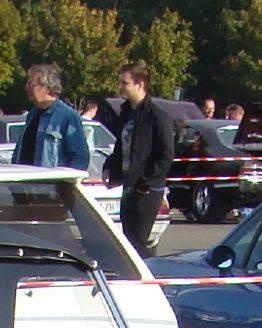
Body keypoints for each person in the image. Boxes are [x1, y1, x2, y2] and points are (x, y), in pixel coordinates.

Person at [105, 60, 177, 254]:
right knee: (127, 242)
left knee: (137, 242)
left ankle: (144, 272)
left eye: (125, 83)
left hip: (147, 190)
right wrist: (110, 166)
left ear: (140, 84)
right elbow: (121, 146)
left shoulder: (157, 117)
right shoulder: (126, 113)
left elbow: (166, 155)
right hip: (129, 185)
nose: (120, 87)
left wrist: (146, 181)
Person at [13, 63, 89, 172]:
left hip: (51, 182)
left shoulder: (67, 116)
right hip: (25, 180)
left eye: (31, 84)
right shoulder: (32, 115)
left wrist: (64, 180)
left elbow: (80, 158)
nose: (26, 88)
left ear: (47, 88)